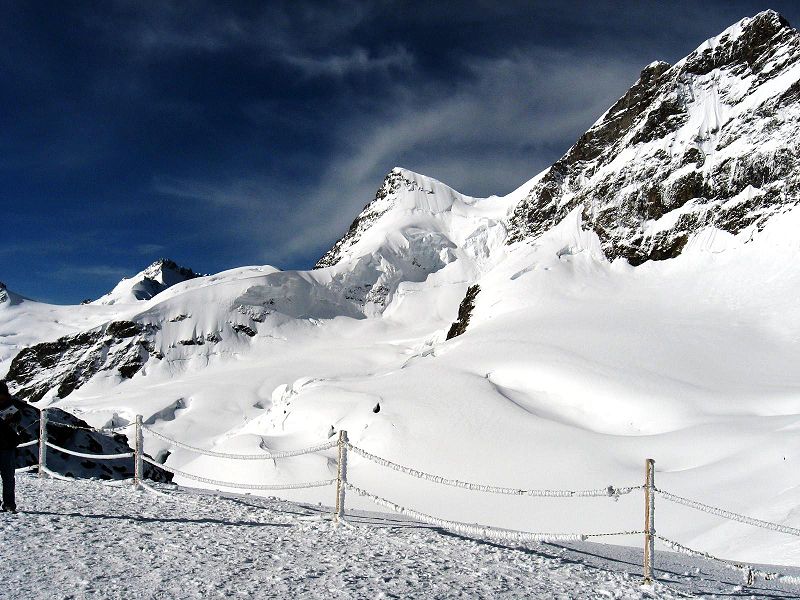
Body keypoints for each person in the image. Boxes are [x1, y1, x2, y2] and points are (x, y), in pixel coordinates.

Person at [0, 380, 21, 513]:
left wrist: (10, 421)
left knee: (8, 477)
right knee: (8, 477)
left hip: (7, 446)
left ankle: (9, 504)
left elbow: (17, 420)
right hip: (7, 445)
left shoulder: (12, 406)